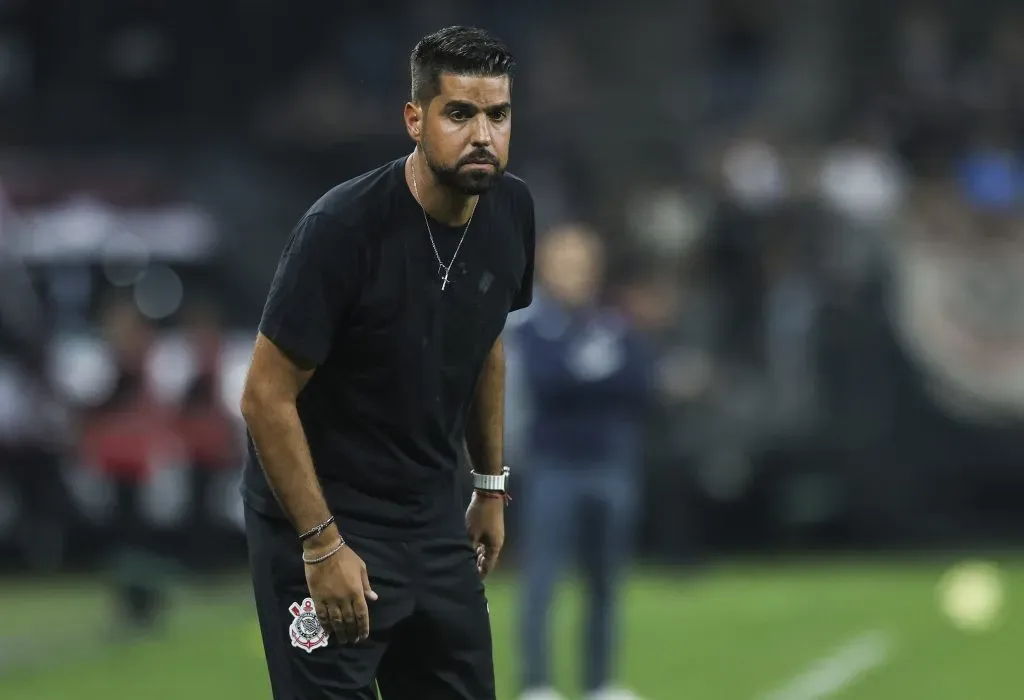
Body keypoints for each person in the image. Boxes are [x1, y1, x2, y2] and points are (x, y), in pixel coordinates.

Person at [239, 26, 535, 700]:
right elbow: (263, 396)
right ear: (415, 119)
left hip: (431, 516)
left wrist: (489, 486)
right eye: (459, 113)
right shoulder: (342, 229)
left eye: (498, 114)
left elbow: (486, 341)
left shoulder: (512, 210)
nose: (483, 135)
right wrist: (320, 543)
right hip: (328, 517)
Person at [514, 225, 654, 700]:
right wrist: (593, 374)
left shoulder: (615, 323)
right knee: (542, 580)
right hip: (553, 467)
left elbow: (639, 382)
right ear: (548, 269)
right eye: (563, 263)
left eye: (581, 262)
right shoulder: (531, 325)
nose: (573, 273)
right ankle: (537, 683)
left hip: (611, 465)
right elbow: (544, 382)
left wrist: (581, 375)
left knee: (606, 582)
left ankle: (600, 683)